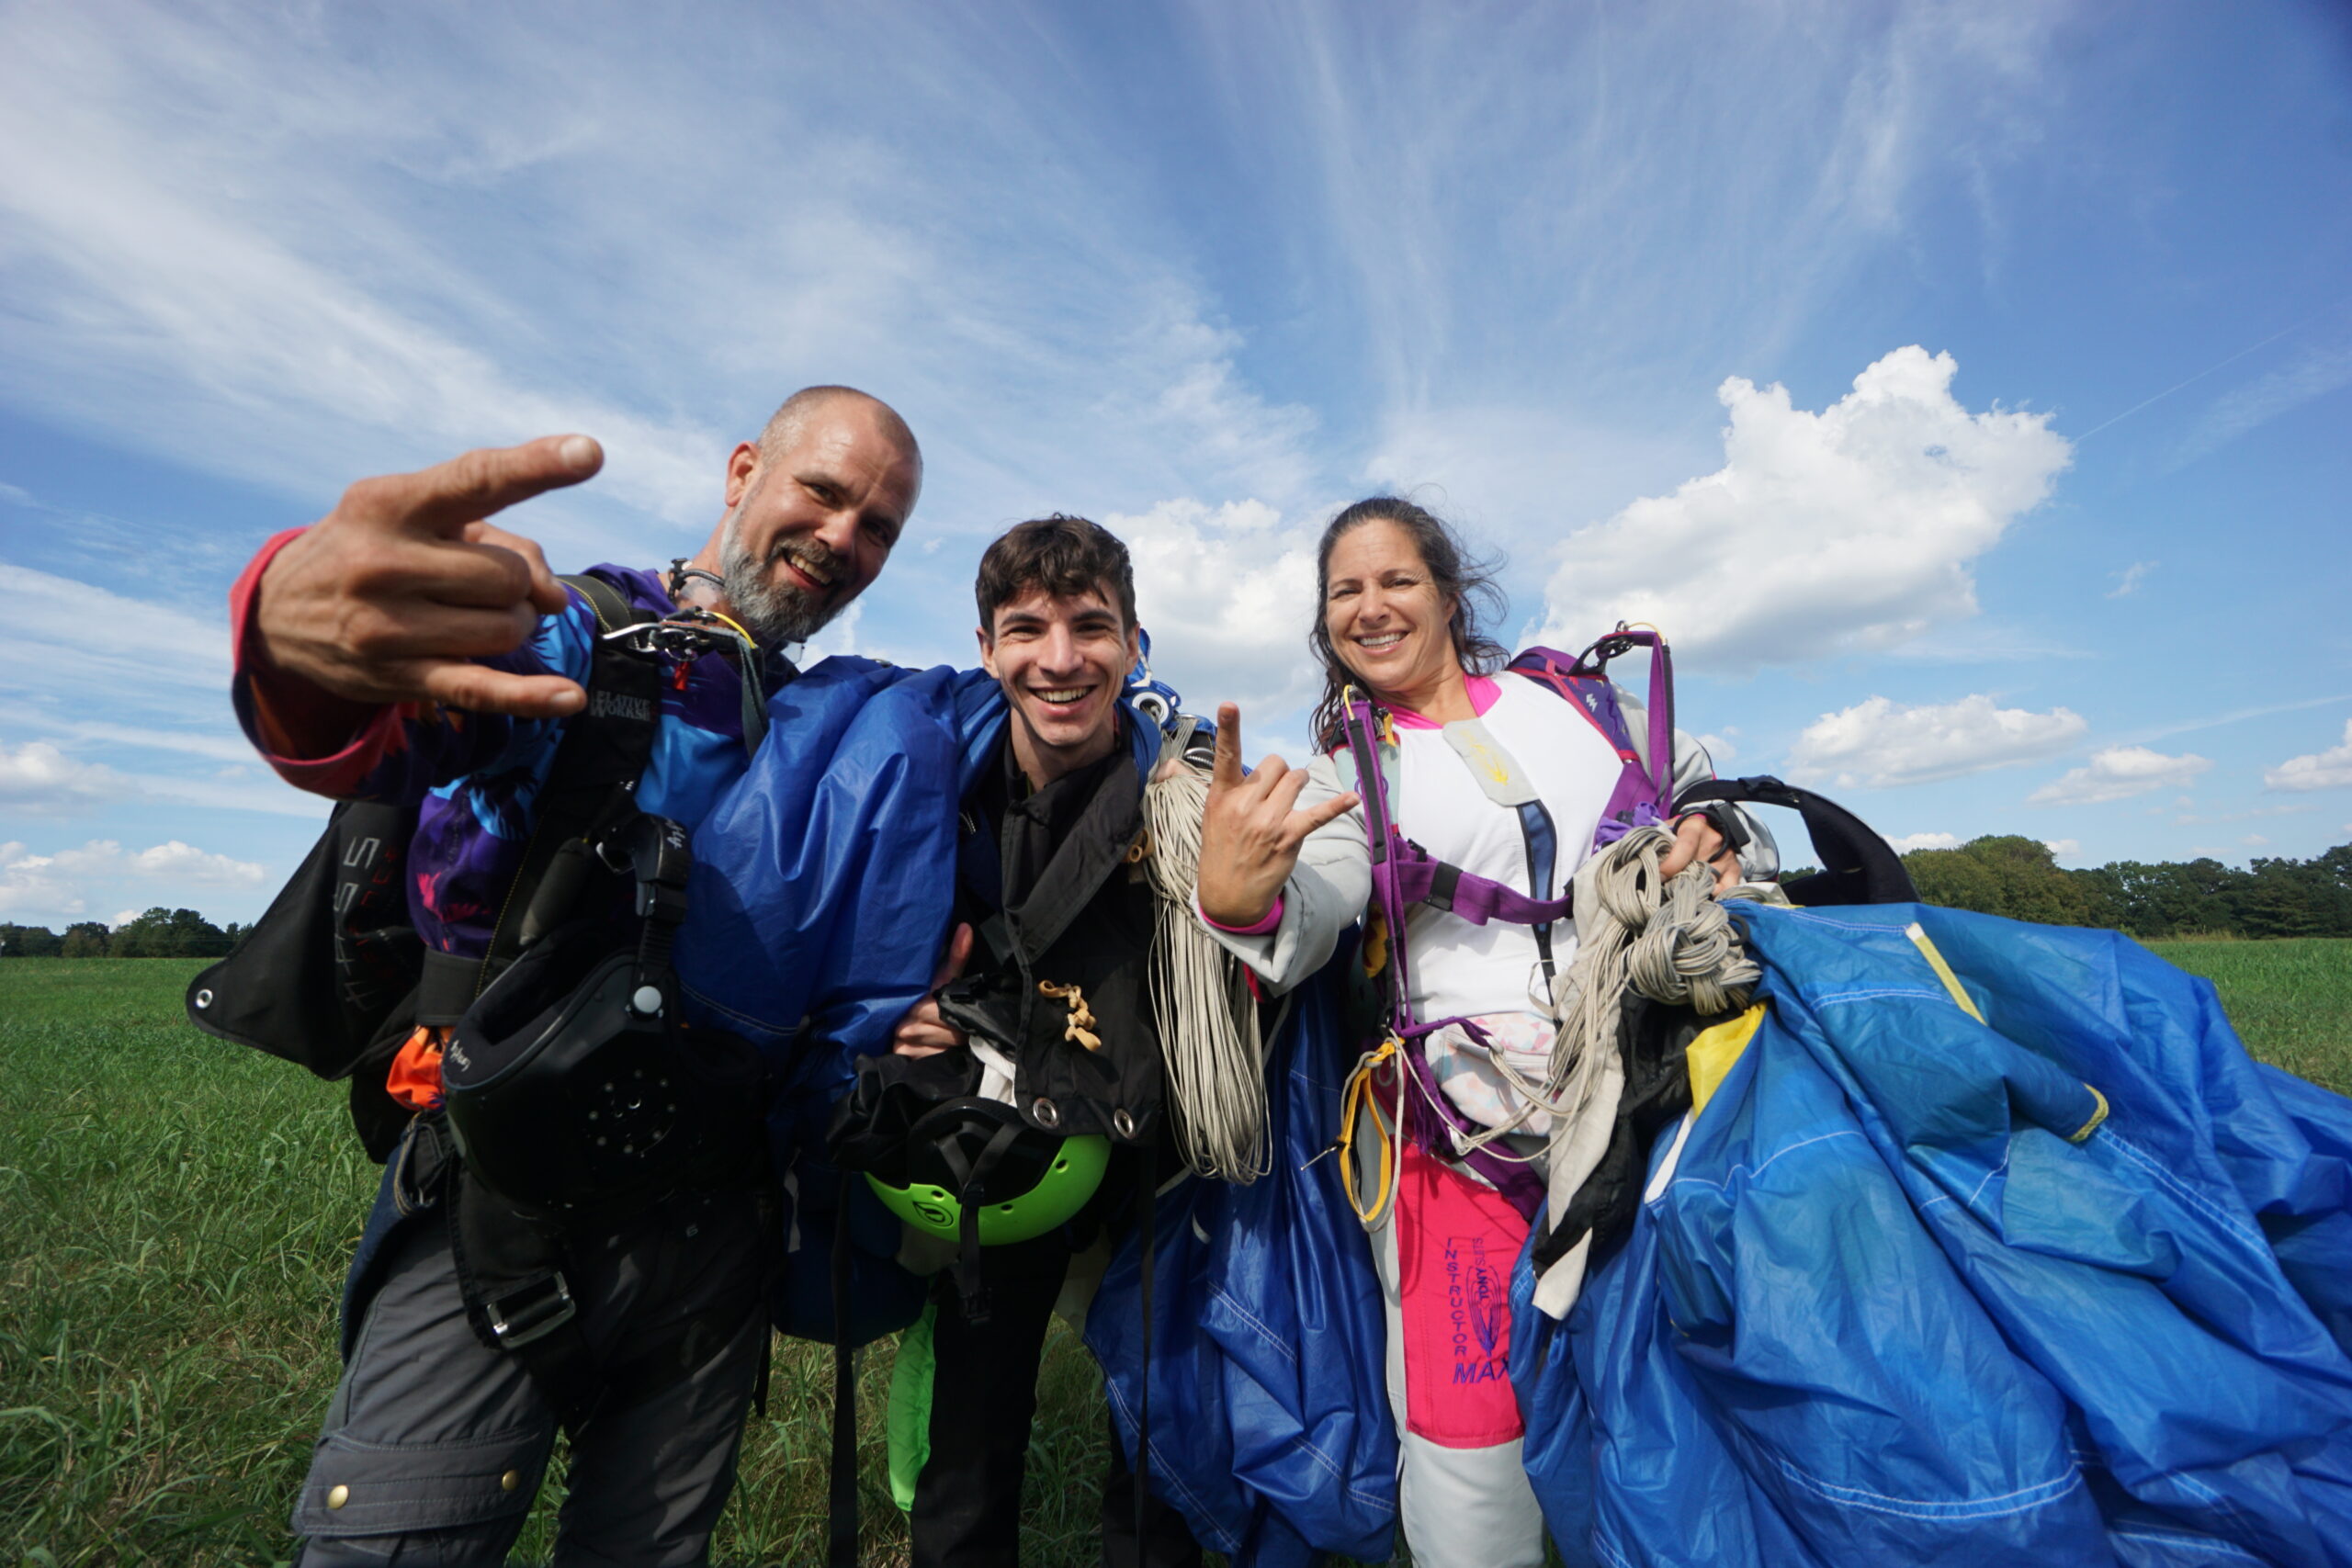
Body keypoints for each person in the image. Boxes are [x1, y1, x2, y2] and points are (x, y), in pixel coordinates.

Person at [231, 386, 922, 1565]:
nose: (843, 539)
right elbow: (425, 694)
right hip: (503, 1204)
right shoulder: (588, 635)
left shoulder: (832, 720)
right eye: (823, 490)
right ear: (744, 468)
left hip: (715, 1239)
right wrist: (297, 633)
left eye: (879, 527)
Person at [1190, 497, 1772, 1568]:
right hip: (1461, 1142)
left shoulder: (1588, 710)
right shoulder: (1344, 776)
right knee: (1470, 1454)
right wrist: (1240, 902)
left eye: (1396, 581)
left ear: (1450, 596)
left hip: (1659, 1099)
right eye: (1345, 593)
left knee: (1682, 1402)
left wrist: (1722, 841)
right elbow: (1311, 904)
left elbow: (1719, 810)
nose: (1371, 608)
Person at [873, 515, 1352, 1568]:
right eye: (1025, 628)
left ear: (1136, 644)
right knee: (972, 1430)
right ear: (987, 644)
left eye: (1091, 626)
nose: (1059, 658)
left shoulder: (1193, 791)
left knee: (1160, 1438)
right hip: (1002, 1145)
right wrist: (890, 1009)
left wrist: (1255, 897)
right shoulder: (928, 785)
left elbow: (1315, 899)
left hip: (1163, 1157)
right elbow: (867, 928)